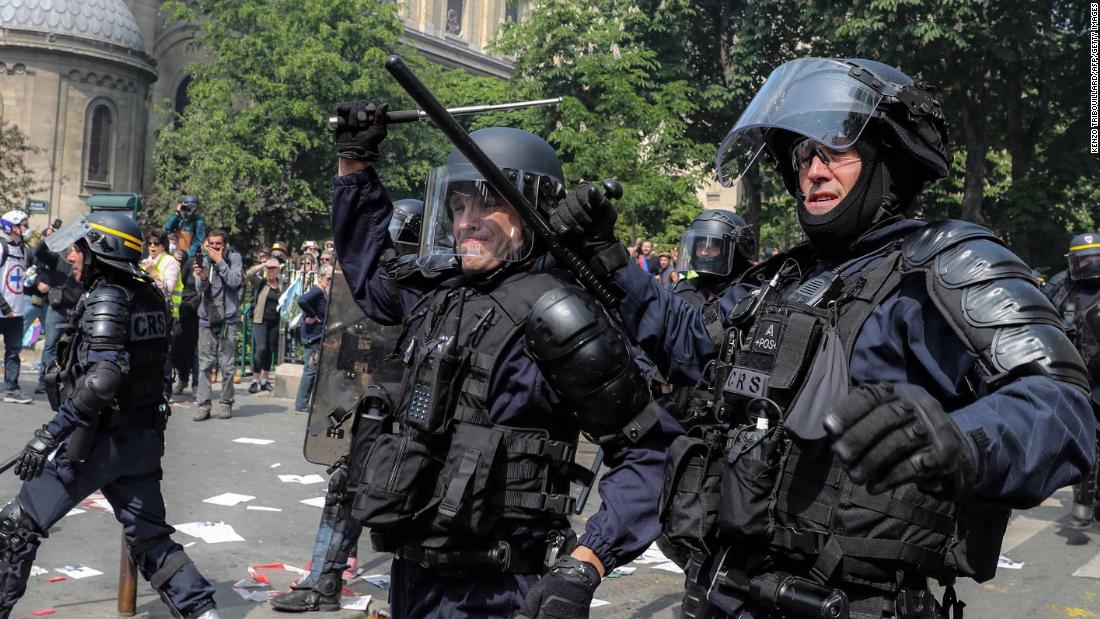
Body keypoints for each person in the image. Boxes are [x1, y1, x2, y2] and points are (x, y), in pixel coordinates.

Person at [555, 58, 1095, 618]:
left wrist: (962, 438)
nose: (812, 170)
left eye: (834, 152)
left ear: (888, 159)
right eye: (803, 155)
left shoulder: (949, 263)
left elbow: (1063, 410)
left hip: (855, 603)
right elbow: (697, 347)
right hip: (724, 593)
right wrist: (610, 261)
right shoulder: (779, 281)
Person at [331, 101, 677, 619]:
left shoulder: (558, 314)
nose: (467, 221)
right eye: (458, 204)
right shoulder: (442, 293)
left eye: (487, 204)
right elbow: (370, 271)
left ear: (530, 209)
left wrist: (586, 564)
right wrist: (354, 160)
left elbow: (650, 451)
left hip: (499, 593)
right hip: (413, 583)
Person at [0, 212, 220, 619]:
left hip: (98, 441)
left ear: (102, 251)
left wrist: (48, 435)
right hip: (141, 437)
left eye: (79, 249)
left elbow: (103, 379)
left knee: (15, 527)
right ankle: (204, 612)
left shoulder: (109, 296)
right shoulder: (149, 294)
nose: (72, 256)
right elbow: (159, 370)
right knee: (151, 539)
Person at [1048, 232, 1100, 528]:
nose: (1091, 265)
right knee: (1084, 439)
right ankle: (1082, 507)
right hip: (1073, 375)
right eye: (1085, 259)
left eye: (1096, 259)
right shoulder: (1060, 286)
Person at [193, 230, 243, 421]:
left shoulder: (233, 258)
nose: (214, 247)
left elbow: (235, 281)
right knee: (205, 364)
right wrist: (203, 277)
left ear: (225, 244)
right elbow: (200, 287)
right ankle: (203, 405)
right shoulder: (204, 259)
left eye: (218, 244)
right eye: (211, 244)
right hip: (206, 318)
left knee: (227, 366)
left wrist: (220, 261)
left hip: (227, 319)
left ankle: (226, 403)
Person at [142, 230, 183, 401]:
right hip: (147, 311)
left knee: (163, 352)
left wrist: (153, 274)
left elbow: (169, 287)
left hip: (166, 313)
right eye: (149, 243)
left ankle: (166, 391)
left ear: (163, 245)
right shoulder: (144, 262)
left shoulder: (170, 261)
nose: (152, 246)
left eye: (156, 243)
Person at [0, 210, 32, 404]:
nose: (26, 229)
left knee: (13, 351)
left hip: (17, 311)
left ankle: (11, 389)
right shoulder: (1, 247)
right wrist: (4, 307)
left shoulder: (22, 250)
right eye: (23, 225)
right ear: (10, 226)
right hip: (4, 310)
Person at [292, 264, 332, 414]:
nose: (330, 281)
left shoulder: (322, 292)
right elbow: (302, 300)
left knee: (313, 369)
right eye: (328, 278)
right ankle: (301, 404)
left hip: (316, 335)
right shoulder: (317, 290)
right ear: (320, 278)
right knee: (310, 370)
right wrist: (311, 315)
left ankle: (305, 403)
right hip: (312, 336)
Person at [247, 258, 282, 394]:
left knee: (270, 349)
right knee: (261, 348)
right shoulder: (261, 282)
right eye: (269, 269)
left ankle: (264, 380)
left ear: (278, 270)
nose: (271, 271)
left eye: (274, 268)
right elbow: (249, 274)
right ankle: (254, 380)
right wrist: (263, 265)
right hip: (260, 320)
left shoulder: (281, 285)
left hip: (275, 321)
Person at [172, 247, 201, 396]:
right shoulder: (190, 264)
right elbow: (180, 283)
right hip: (185, 310)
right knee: (178, 348)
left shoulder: (212, 266)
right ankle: (183, 379)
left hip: (201, 313)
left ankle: (197, 384)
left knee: (196, 350)